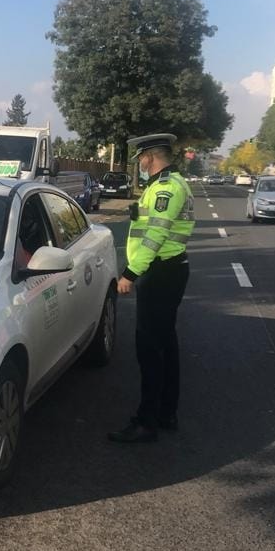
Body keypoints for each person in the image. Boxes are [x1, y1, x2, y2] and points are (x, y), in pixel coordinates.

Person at [108, 133, 195, 443]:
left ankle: (146, 422)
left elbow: (153, 237)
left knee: (149, 349)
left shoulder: (166, 189)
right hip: (168, 270)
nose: (139, 165)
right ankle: (165, 412)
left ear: (149, 157)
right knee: (165, 344)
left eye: (140, 159)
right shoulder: (167, 185)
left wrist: (129, 273)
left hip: (160, 272)